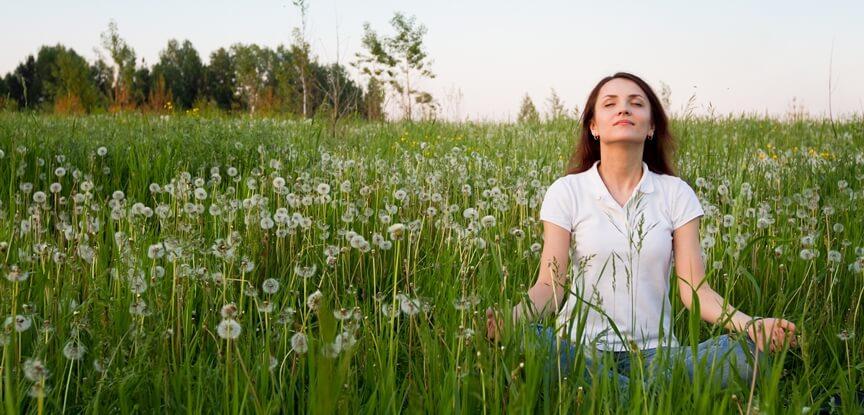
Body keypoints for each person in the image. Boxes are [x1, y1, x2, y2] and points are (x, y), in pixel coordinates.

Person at [485, 72, 798, 391]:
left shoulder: (675, 193)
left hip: (659, 355)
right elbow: (550, 286)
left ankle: (610, 395)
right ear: (593, 126)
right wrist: (511, 320)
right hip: (580, 351)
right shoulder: (567, 191)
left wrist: (751, 325)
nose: (623, 109)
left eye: (636, 103)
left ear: (651, 127)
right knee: (530, 342)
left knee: (745, 353)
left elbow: (695, 291)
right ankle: (649, 397)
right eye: (610, 104)